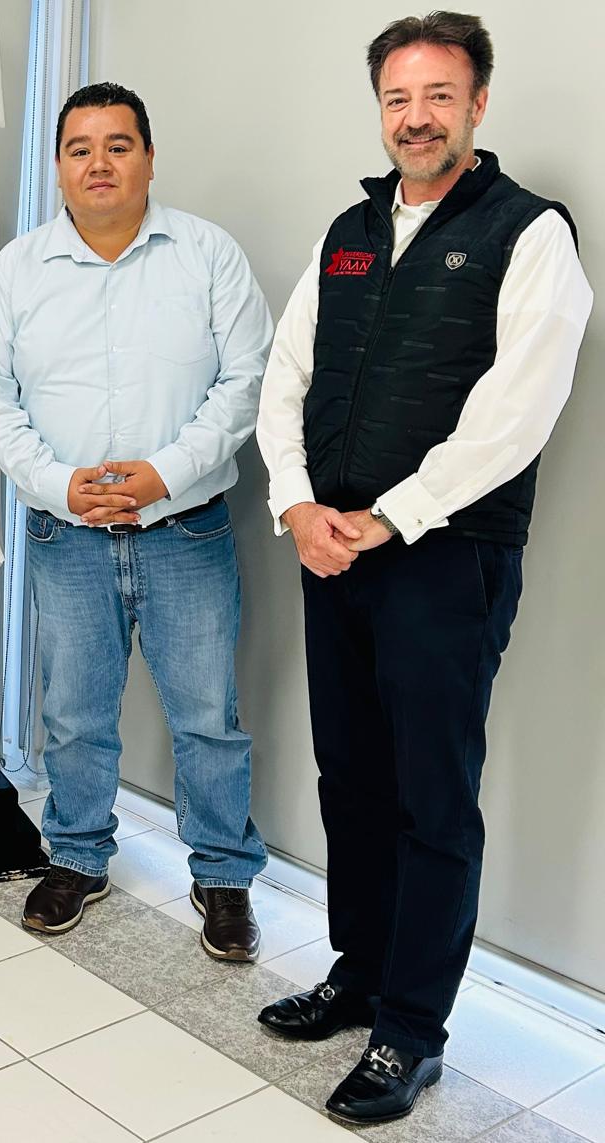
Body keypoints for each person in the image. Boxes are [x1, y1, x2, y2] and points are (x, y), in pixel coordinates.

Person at [255, 12, 592, 1125]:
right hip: (330, 549)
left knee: (430, 798)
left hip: (446, 561)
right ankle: (359, 974)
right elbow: (285, 378)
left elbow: (516, 412)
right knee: (349, 778)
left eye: (438, 95)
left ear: (477, 104)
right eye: (397, 98)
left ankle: (410, 1031)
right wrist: (296, 504)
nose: (416, 117)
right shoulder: (348, 231)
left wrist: (388, 519)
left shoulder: (529, 234)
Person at [0, 83, 273, 957]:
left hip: (187, 529)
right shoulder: (18, 270)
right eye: (80, 148)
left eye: (118, 145)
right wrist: (61, 485)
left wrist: (162, 473)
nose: (98, 163)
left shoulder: (207, 255)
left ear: (149, 156)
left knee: (208, 717)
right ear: (59, 166)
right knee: (73, 712)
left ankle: (223, 876)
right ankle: (76, 855)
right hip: (65, 534)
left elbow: (246, 380)